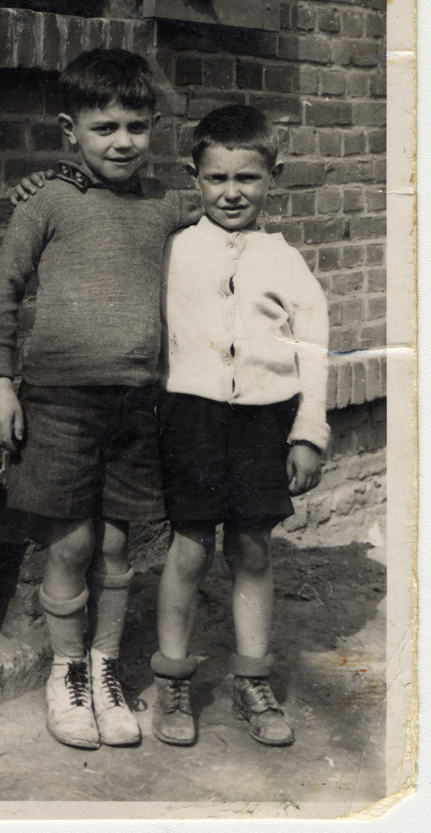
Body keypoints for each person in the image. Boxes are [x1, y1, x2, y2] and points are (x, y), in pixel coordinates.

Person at [0, 48, 184, 750]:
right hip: (61, 400)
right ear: (72, 130)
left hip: (138, 404)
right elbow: (2, 290)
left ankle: (104, 670)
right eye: (104, 128)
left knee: (121, 545)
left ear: (154, 126)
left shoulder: (166, 209)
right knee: (70, 542)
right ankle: (65, 672)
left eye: (136, 125)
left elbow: (224, 223)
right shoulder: (50, 199)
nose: (122, 141)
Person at [151, 105, 329, 749]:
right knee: (190, 545)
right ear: (192, 177)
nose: (232, 192)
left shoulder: (285, 260)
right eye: (217, 177)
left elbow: (314, 346)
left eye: (248, 179)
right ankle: (173, 676)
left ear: (272, 177)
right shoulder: (172, 248)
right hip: (191, 417)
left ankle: (253, 678)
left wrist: (309, 430)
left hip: (264, 419)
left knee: (252, 547)